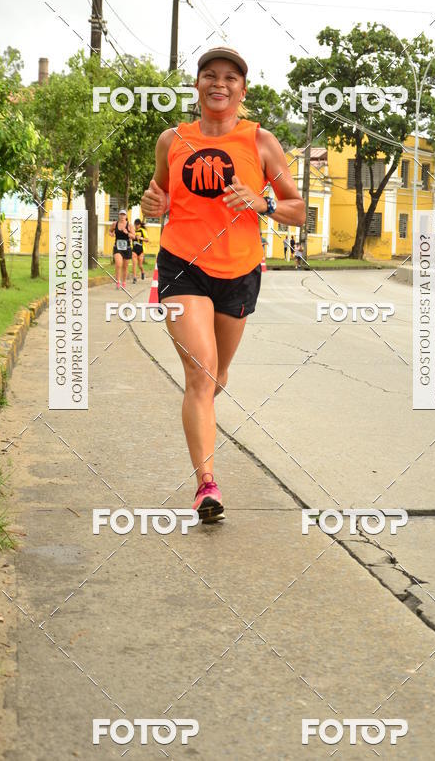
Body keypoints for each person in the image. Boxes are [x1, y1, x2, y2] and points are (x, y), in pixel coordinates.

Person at [141, 46, 305, 522]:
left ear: (242, 89)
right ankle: (206, 486)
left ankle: (199, 415)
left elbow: (298, 211)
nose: (220, 83)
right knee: (201, 373)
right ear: (197, 85)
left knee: (216, 377)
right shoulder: (171, 140)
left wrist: (263, 203)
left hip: (239, 271)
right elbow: (160, 196)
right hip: (182, 265)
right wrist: (153, 206)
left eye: (230, 77)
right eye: (210, 75)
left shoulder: (261, 142)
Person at [109, 209, 134, 289]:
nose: (122, 216)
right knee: (118, 263)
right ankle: (118, 281)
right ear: (119, 215)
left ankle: (124, 282)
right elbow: (110, 231)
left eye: (124, 215)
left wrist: (127, 233)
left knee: (125, 267)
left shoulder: (130, 225)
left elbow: (133, 236)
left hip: (127, 247)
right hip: (117, 247)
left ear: (126, 216)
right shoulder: (115, 224)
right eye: (121, 214)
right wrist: (111, 233)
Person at [132, 218, 147, 284]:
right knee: (134, 264)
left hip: (141, 250)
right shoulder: (133, 231)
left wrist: (140, 238)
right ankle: (134, 278)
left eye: (137, 225)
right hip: (134, 249)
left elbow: (147, 240)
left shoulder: (142, 230)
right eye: (135, 225)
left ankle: (142, 272)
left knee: (140, 265)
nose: (136, 226)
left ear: (140, 225)